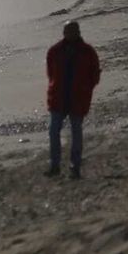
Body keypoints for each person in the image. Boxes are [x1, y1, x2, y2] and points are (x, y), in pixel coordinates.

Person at [46, 20, 101, 179]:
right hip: (58, 98)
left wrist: (85, 89)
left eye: (72, 31)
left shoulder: (88, 52)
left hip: (78, 98)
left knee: (76, 133)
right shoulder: (55, 51)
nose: (70, 34)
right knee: (53, 131)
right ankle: (55, 166)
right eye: (67, 31)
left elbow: (94, 75)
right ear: (64, 33)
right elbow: (50, 74)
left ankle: (75, 167)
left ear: (78, 32)